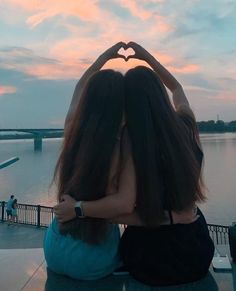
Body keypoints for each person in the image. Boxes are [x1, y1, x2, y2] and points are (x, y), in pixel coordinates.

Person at [54, 41, 214, 287]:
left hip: (145, 260)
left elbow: (126, 206)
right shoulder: (187, 127)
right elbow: (177, 87)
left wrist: (83, 212)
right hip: (197, 250)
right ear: (160, 95)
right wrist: (146, 58)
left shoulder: (131, 143)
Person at [44, 42, 136, 280]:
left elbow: (79, 86)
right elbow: (125, 204)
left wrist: (105, 56)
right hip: (94, 257)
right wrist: (79, 209)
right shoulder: (122, 144)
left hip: (54, 247)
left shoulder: (73, 128)